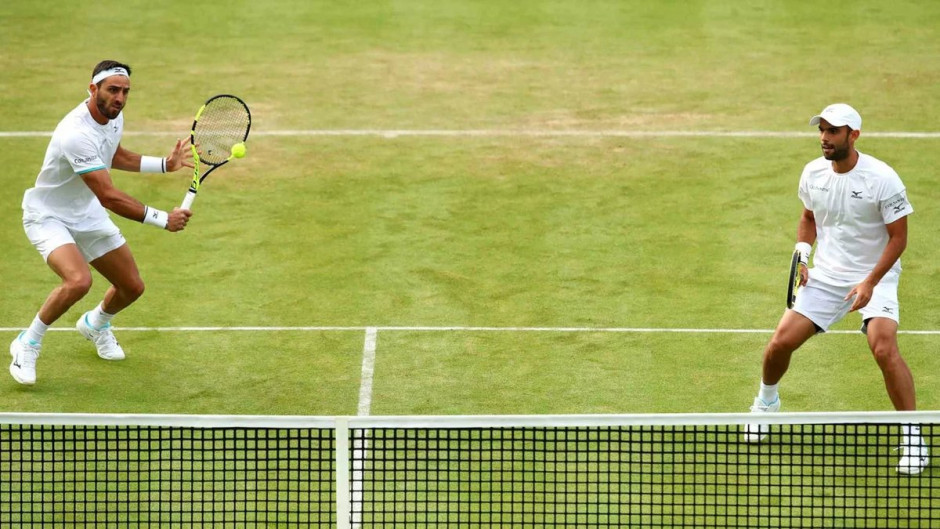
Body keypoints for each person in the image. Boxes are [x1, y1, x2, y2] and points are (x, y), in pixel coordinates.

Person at [743, 103, 927, 475]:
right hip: (827, 275)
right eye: (822, 130)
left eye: (833, 131)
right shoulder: (813, 173)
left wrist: (870, 282)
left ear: (853, 135)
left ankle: (913, 436)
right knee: (780, 342)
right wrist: (802, 253)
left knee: (883, 346)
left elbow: (899, 238)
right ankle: (766, 404)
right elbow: (809, 217)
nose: (825, 138)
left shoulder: (883, 178)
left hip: (876, 273)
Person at [10, 60, 193, 386]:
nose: (120, 97)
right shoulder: (74, 133)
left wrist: (164, 165)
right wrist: (163, 219)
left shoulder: (113, 116)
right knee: (79, 280)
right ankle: (28, 342)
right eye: (112, 90)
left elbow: (114, 154)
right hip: (48, 215)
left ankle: (96, 324)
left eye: (125, 91)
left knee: (132, 287)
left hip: (86, 213)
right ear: (93, 89)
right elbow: (109, 196)